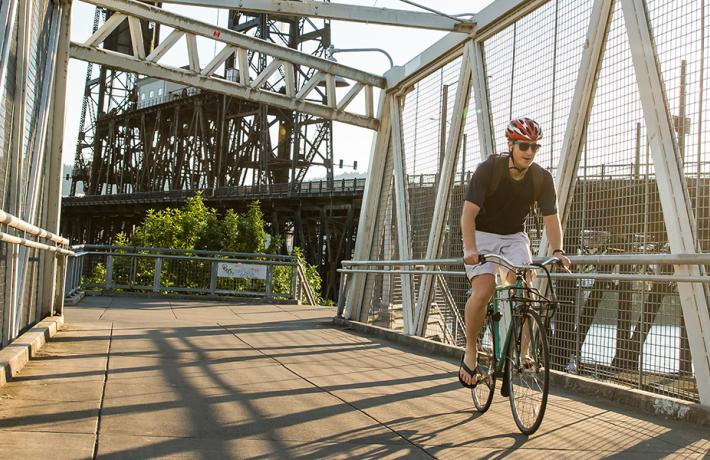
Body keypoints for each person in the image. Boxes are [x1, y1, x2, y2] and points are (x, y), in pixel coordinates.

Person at [458, 117, 571, 388]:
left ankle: (523, 353)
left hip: (514, 237)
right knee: (484, 291)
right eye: (523, 146)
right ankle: (471, 351)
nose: (529, 152)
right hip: (482, 234)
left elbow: (551, 219)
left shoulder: (541, 178)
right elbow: (468, 215)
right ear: (510, 144)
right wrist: (471, 249)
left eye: (535, 147)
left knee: (525, 287)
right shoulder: (489, 169)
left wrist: (558, 250)